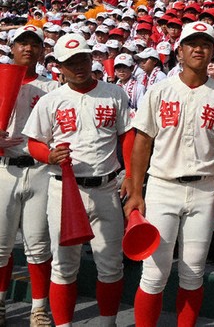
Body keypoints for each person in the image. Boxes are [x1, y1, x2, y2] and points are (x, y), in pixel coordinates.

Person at [125, 22, 214, 327]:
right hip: (163, 187)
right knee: (155, 273)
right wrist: (136, 191)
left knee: (193, 273)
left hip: (203, 188)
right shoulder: (160, 90)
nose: (198, 48)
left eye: (205, 44)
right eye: (192, 44)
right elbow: (142, 142)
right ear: (180, 51)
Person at [22, 33, 134, 327]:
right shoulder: (51, 100)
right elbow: (34, 142)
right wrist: (49, 156)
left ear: (91, 58)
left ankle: (108, 323)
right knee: (64, 266)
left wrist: (132, 176)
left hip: (106, 188)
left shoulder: (115, 93)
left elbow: (127, 136)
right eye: (70, 62)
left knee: (111, 265)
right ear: (58, 66)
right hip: (64, 189)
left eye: (83, 58)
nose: (79, 66)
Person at [0, 26, 58, 327]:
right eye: (22, 43)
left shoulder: (51, 87)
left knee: (37, 244)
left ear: (42, 50)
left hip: (39, 169)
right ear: (12, 48)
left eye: (34, 44)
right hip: (5, 167)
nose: (28, 48)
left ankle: (39, 308)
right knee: (1, 244)